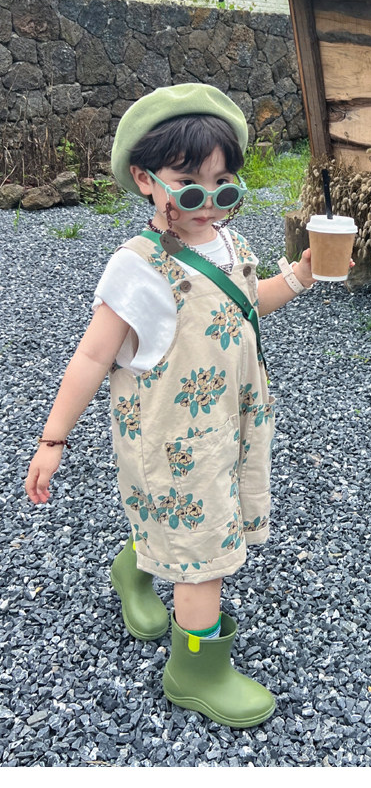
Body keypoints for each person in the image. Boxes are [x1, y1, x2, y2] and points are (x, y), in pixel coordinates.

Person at [24, 82, 317, 729]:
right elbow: (92, 356)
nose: (208, 203)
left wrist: (298, 277)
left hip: (229, 421)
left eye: (225, 186)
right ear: (145, 179)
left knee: (190, 521)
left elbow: (246, 302)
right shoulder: (138, 268)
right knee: (204, 547)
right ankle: (195, 672)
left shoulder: (228, 243)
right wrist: (52, 439)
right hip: (172, 435)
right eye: (188, 186)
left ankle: (135, 568)